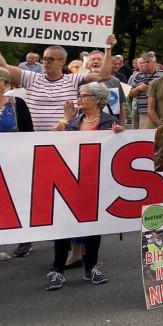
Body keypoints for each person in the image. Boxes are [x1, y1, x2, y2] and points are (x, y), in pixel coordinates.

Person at [47, 82, 125, 290]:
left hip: (96, 182)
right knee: (63, 226)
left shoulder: (110, 122)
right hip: (71, 180)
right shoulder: (72, 121)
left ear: (98, 100)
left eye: (84, 96)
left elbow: (118, 151)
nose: (79, 99)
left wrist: (120, 135)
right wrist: (59, 130)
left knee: (93, 226)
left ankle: (91, 268)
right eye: (79, 95)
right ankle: (57, 270)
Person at [0, 36, 116, 132]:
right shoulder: (30, 78)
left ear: (62, 61)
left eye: (50, 59)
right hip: (32, 139)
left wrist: (108, 49)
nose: (45, 62)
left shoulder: (73, 80)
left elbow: (103, 76)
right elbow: (1, 67)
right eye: (44, 58)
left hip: (64, 138)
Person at [0, 67, 34, 259]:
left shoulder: (17, 104)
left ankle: (25, 238)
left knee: (19, 200)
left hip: (15, 161)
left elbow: (28, 133)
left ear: (6, 84)